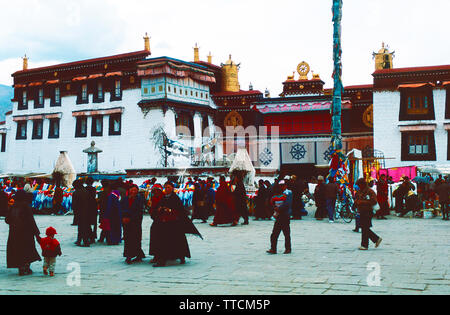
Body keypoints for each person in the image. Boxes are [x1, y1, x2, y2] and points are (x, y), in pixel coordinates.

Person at [149, 181, 202, 267]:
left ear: (172, 188)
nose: (166, 189)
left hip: (174, 223)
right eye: (165, 187)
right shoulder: (163, 198)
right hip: (164, 222)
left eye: (168, 187)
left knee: (176, 240)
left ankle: (178, 257)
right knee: (164, 240)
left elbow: (180, 210)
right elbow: (158, 208)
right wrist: (160, 210)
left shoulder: (175, 198)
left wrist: (169, 210)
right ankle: (162, 258)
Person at [5, 190, 41, 275]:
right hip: (26, 233)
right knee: (27, 250)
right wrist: (37, 233)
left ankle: (21, 267)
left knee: (17, 250)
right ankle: (26, 267)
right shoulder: (26, 206)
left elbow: (7, 220)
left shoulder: (13, 206)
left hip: (14, 232)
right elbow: (31, 221)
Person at [354, 178, 382, 250]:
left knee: (365, 228)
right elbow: (356, 199)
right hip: (361, 211)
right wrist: (355, 204)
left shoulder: (370, 191)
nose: (359, 186)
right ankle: (376, 239)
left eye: (359, 185)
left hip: (368, 211)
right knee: (364, 227)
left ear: (363, 184)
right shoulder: (359, 191)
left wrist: (362, 202)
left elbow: (374, 201)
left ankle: (365, 245)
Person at [121, 185, 146, 264]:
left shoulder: (139, 200)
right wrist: (124, 217)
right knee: (127, 239)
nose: (133, 192)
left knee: (136, 238)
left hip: (136, 222)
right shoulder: (124, 199)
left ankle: (138, 255)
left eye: (135, 190)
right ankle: (128, 256)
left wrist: (130, 218)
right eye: (132, 190)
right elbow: (121, 208)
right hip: (126, 222)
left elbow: (139, 211)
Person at [267, 184, 291, 255]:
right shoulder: (285, 196)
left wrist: (276, 209)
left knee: (275, 234)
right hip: (284, 217)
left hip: (280, 217)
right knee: (286, 234)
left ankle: (274, 249)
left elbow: (271, 204)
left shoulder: (275, 197)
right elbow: (287, 205)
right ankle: (287, 249)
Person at [72, 180, 92, 247]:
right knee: (85, 226)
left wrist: (75, 213)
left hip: (79, 212)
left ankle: (84, 242)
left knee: (81, 227)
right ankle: (81, 240)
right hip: (87, 212)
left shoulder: (76, 193)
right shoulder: (86, 192)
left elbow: (74, 205)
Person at [104, 181, 123, 245]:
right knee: (117, 227)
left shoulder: (111, 195)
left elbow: (109, 206)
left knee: (112, 228)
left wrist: (106, 215)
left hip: (112, 214)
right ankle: (117, 239)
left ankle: (112, 240)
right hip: (118, 213)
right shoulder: (118, 194)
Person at [85, 177, 98, 243]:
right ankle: (93, 236)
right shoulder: (93, 189)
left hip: (86, 206)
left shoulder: (85, 189)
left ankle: (89, 235)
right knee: (94, 223)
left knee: (87, 223)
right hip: (93, 206)